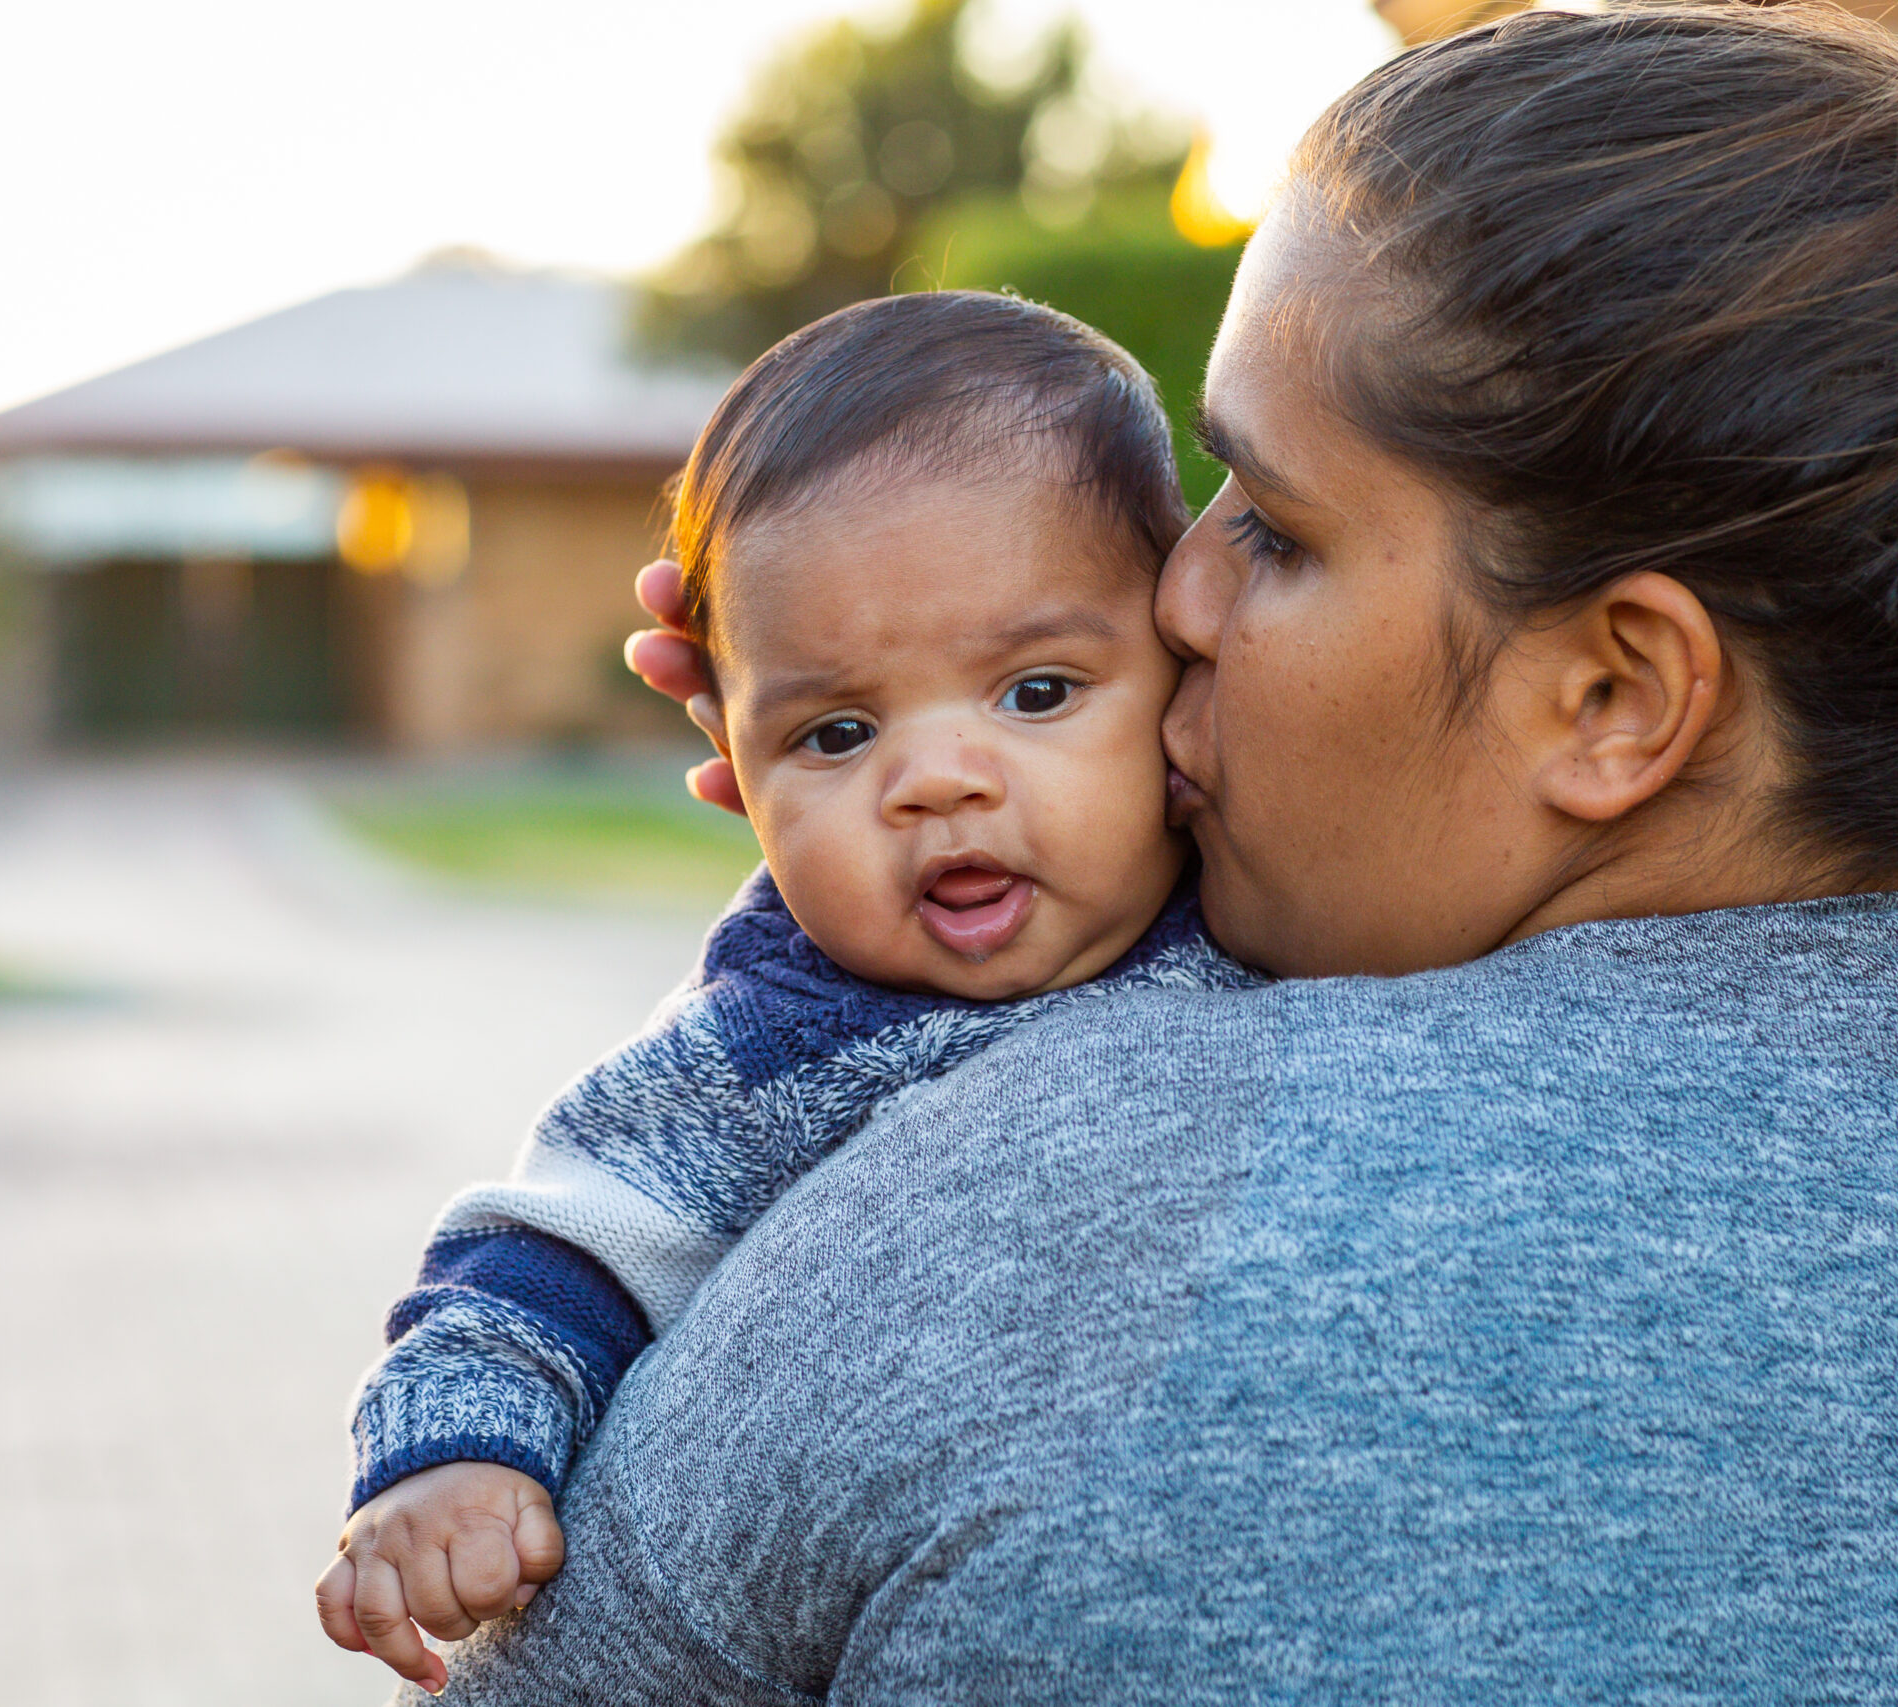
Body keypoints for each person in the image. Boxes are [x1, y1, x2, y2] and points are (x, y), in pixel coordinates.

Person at [392, 4, 1898, 1699]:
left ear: (1613, 699)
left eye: (1269, 526)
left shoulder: (1043, 1186)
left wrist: (826, 959)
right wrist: (928, 739)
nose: (1171, 601)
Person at [315, 292, 1254, 1694]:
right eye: (836, 730)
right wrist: (456, 1454)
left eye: (1040, 692)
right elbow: (554, 1251)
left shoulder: (1275, 894)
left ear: (1187, 670)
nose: (936, 779)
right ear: (731, 761)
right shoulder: (783, 1036)